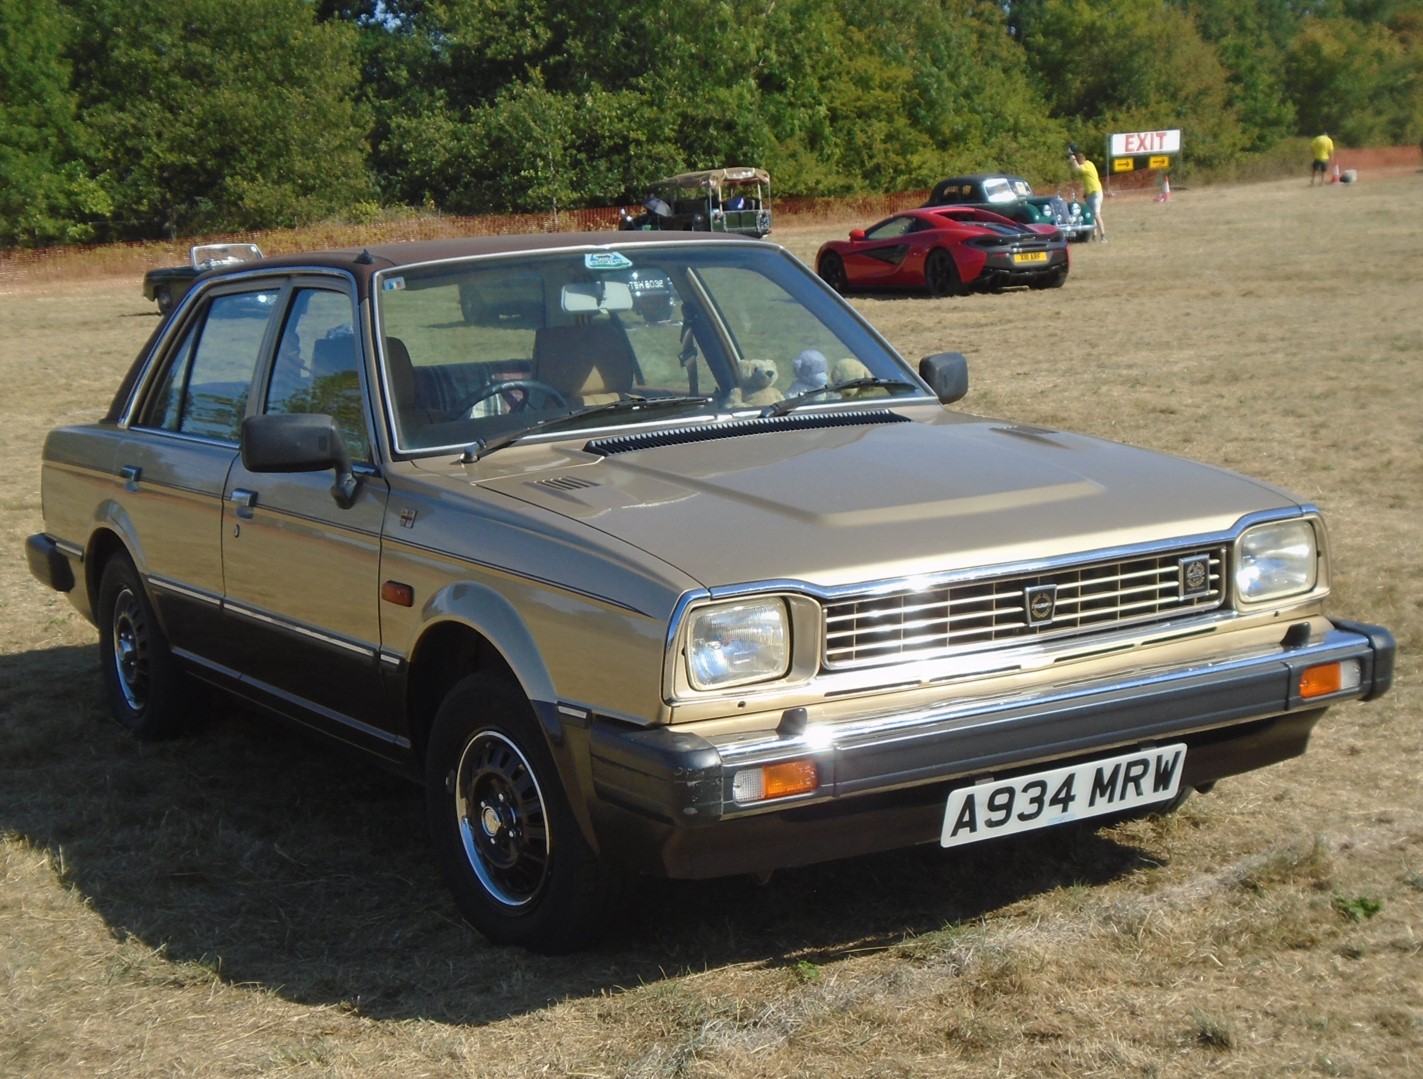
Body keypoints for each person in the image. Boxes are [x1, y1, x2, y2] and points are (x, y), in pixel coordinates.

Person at [1068, 146, 1107, 242]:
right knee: (1091, 214)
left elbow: (1077, 169)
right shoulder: (1089, 163)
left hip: (1095, 193)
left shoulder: (1087, 166)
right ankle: (1094, 235)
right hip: (1090, 193)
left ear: (1080, 161)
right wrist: (1086, 193)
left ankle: (1103, 236)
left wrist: (1072, 157)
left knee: (1096, 214)